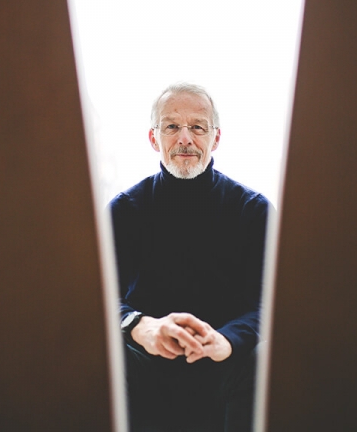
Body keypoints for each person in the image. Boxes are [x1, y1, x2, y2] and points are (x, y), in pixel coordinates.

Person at [109, 83, 272, 432]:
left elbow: (274, 302)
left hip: (227, 368)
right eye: (172, 126)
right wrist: (142, 326)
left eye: (198, 127)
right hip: (144, 366)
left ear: (215, 138)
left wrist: (228, 340)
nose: (185, 138)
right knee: (103, 357)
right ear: (154, 138)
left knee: (268, 359)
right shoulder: (123, 210)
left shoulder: (254, 211)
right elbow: (95, 299)